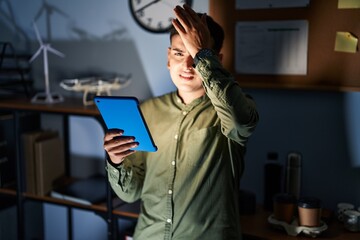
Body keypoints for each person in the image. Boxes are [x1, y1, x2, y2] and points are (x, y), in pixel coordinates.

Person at [103, 4, 259, 240]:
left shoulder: (234, 109)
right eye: (178, 53)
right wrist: (116, 162)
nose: (187, 66)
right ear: (168, 58)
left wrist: (202, 53)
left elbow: (241, 122)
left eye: (194, 56)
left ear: (217, 60)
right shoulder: (146, 111)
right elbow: (131, 193)